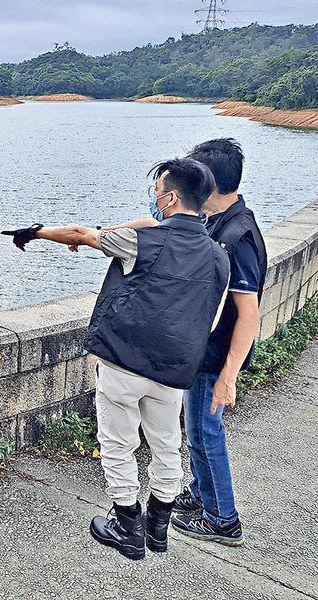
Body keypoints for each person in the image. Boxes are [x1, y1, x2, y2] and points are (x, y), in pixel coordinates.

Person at [2, 157, 230, 560]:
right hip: (174, 368)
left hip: (125, 361)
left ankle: (126, 526)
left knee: (118, 442)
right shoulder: (218, 256)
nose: (155, 197)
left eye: (158, 191)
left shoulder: (143, 242)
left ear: (171, 196)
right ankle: (158, 528)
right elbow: (208, 320)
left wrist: (34, 232)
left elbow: (80, 233)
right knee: (166, 443)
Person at [99, 140, 267, 546]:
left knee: (204, 431)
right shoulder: (213, 220)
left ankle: (223, 519)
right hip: (191, 349)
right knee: (188, 432)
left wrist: (228, 377)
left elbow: (248, 313)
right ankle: (197, 494)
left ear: (210, 185)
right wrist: (108, 234)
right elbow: (164, 231)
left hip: (212, 354)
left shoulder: (238, 234)